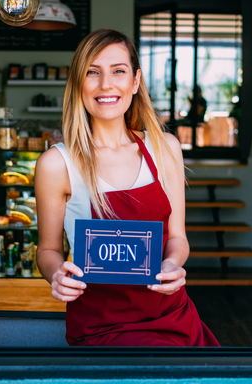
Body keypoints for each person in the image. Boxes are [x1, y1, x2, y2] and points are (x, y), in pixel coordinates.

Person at [35, 29, 219, 347]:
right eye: (92, 72)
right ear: (78, 83)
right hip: (103, 329)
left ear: (135, 81)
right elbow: (48, 250)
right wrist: (57, 276)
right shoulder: (56, 164)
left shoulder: (165, 148)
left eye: (118, 71)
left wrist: (172, 265)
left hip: (174, 319)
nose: (106, 84)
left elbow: (177, 238)